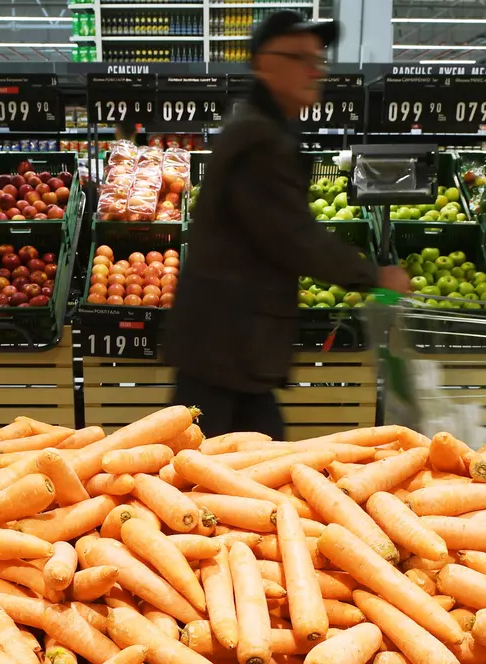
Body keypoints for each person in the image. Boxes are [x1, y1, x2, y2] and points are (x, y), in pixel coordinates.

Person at [163, 10, 410, 440]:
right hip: (226, 345)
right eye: (299, 57)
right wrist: (374, 275)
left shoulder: (265, 130)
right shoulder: (259, 139)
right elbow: (293, 235)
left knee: (238, 462)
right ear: (263, 63)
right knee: (207, 463)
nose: (315, 70)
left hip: (233, 346)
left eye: (319, 59)